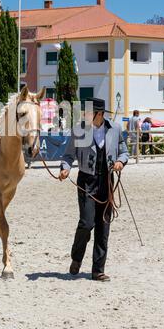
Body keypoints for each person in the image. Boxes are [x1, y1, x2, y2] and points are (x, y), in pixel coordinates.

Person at [59, 97, 129, 282]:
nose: (85, 115)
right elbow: (68, 155)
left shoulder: (115, 129)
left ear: (99, 114)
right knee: (87, 223)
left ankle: (98, 270)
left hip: (107, 181)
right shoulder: (79, 130)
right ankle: (77, 256)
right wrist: (65, 168)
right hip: (86, 181)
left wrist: (121, 161)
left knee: (103, 225)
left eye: (88, 112)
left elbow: (124, 151)